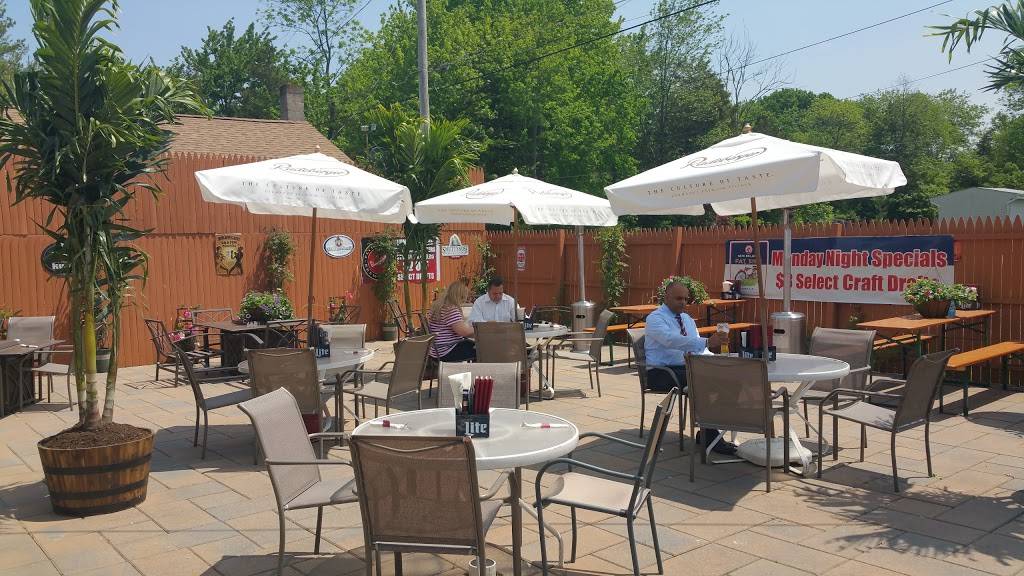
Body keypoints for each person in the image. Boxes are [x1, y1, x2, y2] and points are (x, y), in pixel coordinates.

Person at [644, 280, 736, 455]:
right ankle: (710, 436)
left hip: (687, 368)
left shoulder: (687, 319)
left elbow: (698, 347)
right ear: (666, 297)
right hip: (662, 372)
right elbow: (671, 340)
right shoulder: (655, 318)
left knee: (727, 376)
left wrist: (714, 361)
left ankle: (711, 430)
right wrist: (707, 342)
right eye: (679, 298)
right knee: (704, 381)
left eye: (686, 299)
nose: (683, 302)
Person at [427, 280, 476, 362]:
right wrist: (480, 328)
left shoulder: (439, 307)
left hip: (436, 350)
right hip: (447, 350)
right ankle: (479, 369)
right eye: (464, 297)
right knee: (481, 349)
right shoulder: (450, 310)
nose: (465, 300)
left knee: (473, 344)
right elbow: (464, 332)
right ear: (459, 296)